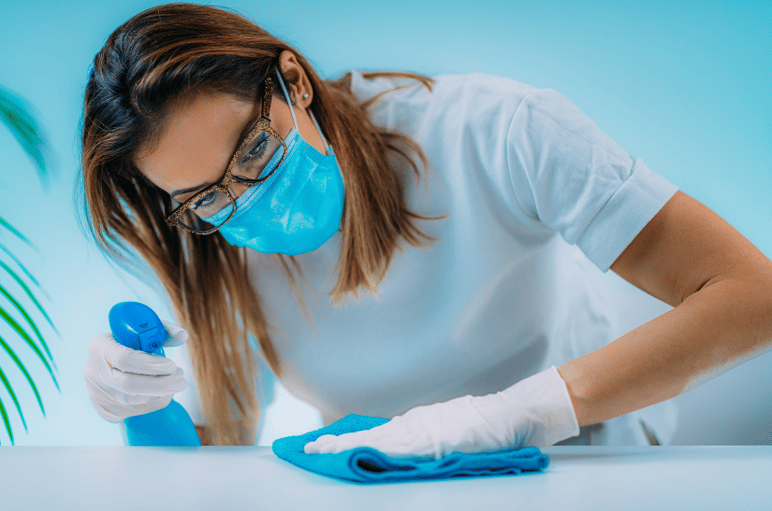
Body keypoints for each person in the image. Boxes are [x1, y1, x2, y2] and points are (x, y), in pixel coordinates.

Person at [82, 3, 772, 454]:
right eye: (205, 197)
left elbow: (752, 294)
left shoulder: (498, 131)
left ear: (293, 81)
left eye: (256, 150)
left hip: (588, 461)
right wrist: (141, 404)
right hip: (382, 491)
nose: (248, 199)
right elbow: (217, 449)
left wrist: (516, 412)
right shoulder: (217, 243)